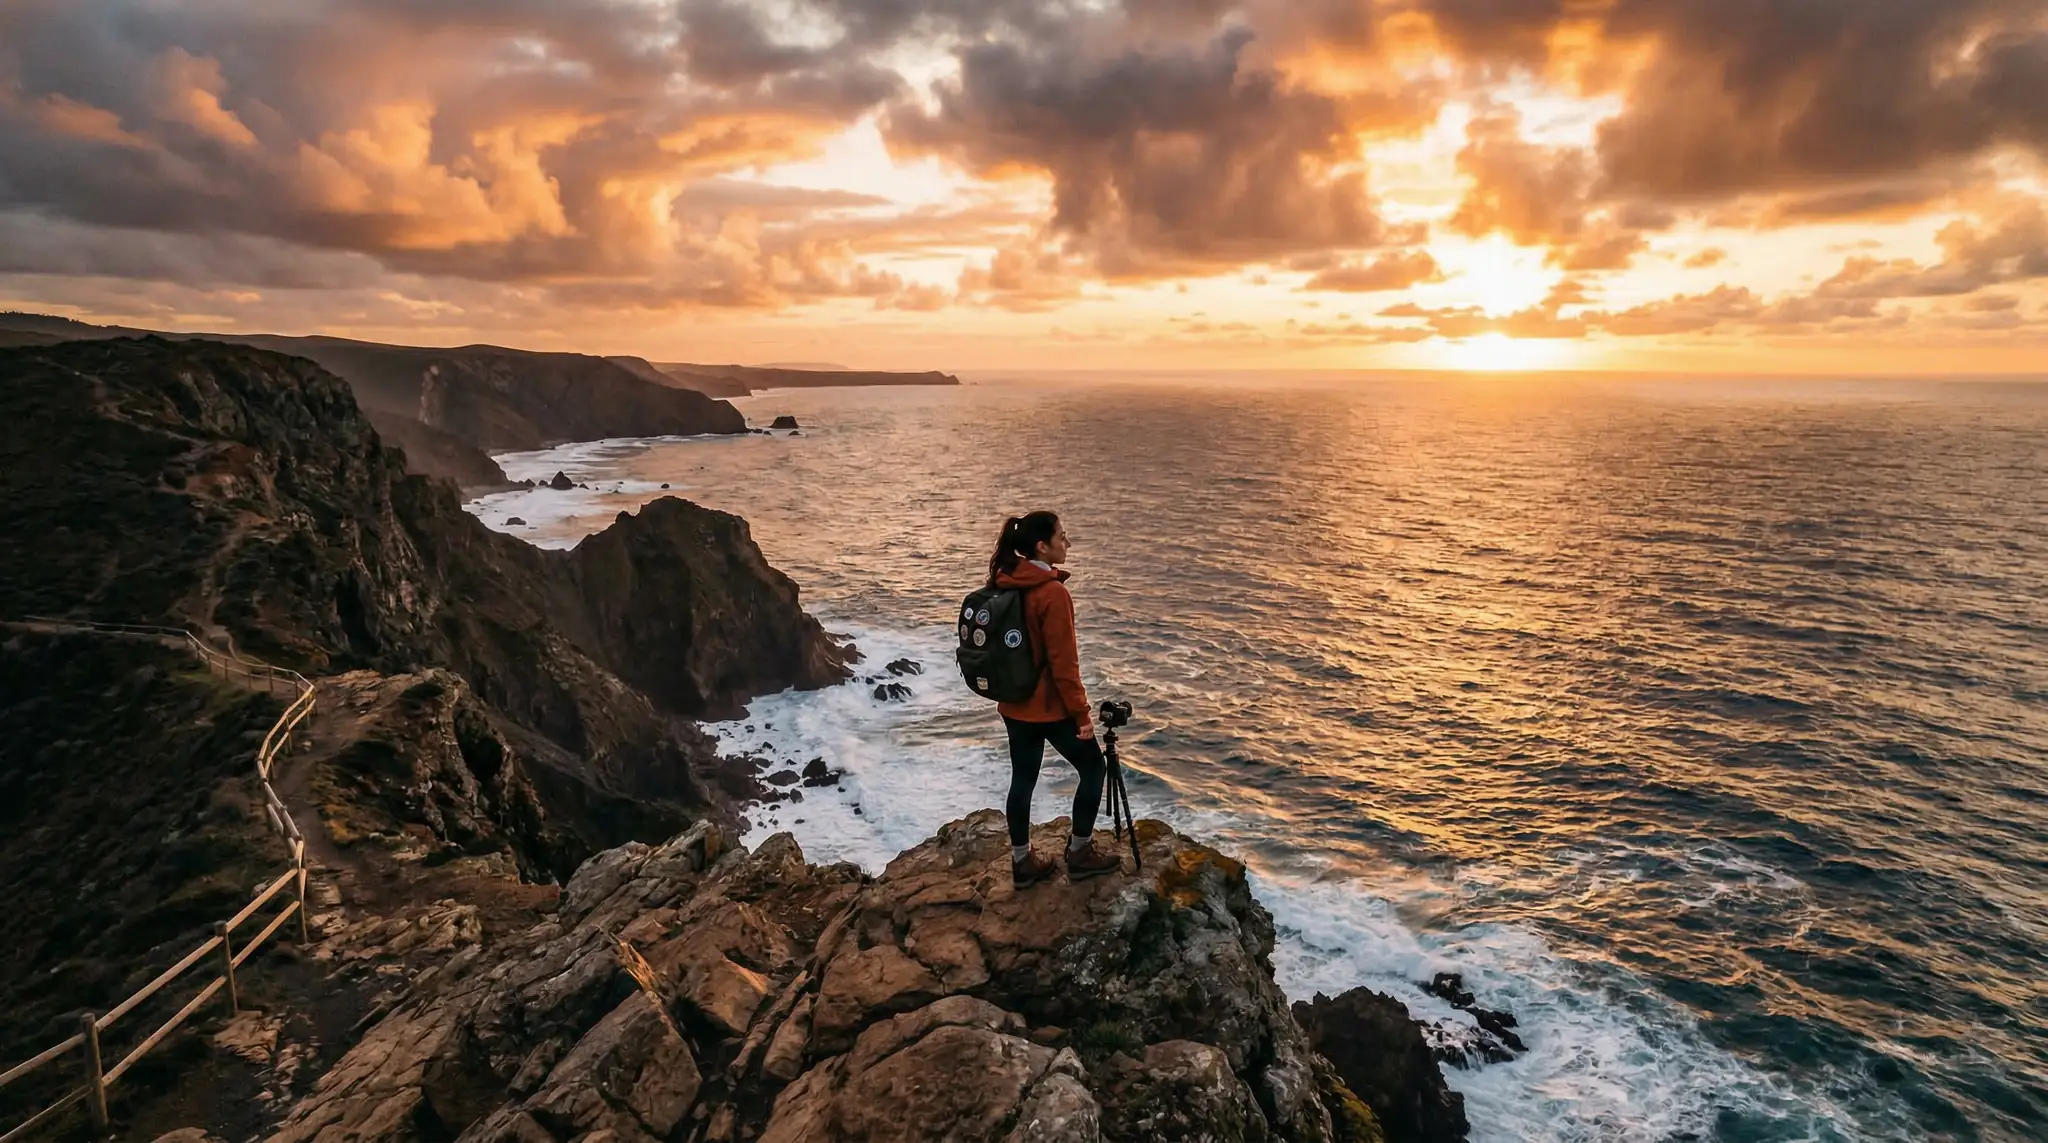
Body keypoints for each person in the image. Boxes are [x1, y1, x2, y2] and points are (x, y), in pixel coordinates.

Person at [986, 511, 1121, 888]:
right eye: (1062, 536)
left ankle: (1021, 861)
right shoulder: (1053, 593)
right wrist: (1082, 714)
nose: (1068, 543)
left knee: (1023, 779)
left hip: (1015, 704)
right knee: (1093, 769)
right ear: (1042, 546)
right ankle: (1079, 853)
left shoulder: (1005, 581)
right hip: (1050, 707)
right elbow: (1064, 665)